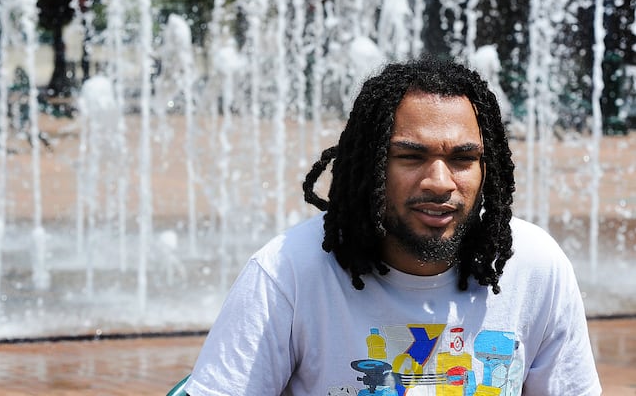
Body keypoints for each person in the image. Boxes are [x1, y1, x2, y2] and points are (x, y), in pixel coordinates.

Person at [183, 57, 601, 396]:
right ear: (371, 166)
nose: (440, 181)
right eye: (411, 157)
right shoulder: (287, 272)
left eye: (462, 159)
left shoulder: (535, 266)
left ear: (485, 169)